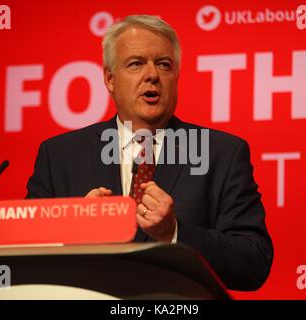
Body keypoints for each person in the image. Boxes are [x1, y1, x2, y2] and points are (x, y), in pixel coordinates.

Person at [26, 15, 273, 290]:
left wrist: (174, 233)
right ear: (109, 78)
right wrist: (73, 231)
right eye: (136, 63)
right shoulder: (60, 156)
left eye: (164, 65)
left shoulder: (222, 155)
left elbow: (253, 262)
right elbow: (25, 259)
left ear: (175, 76)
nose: (152, 75)